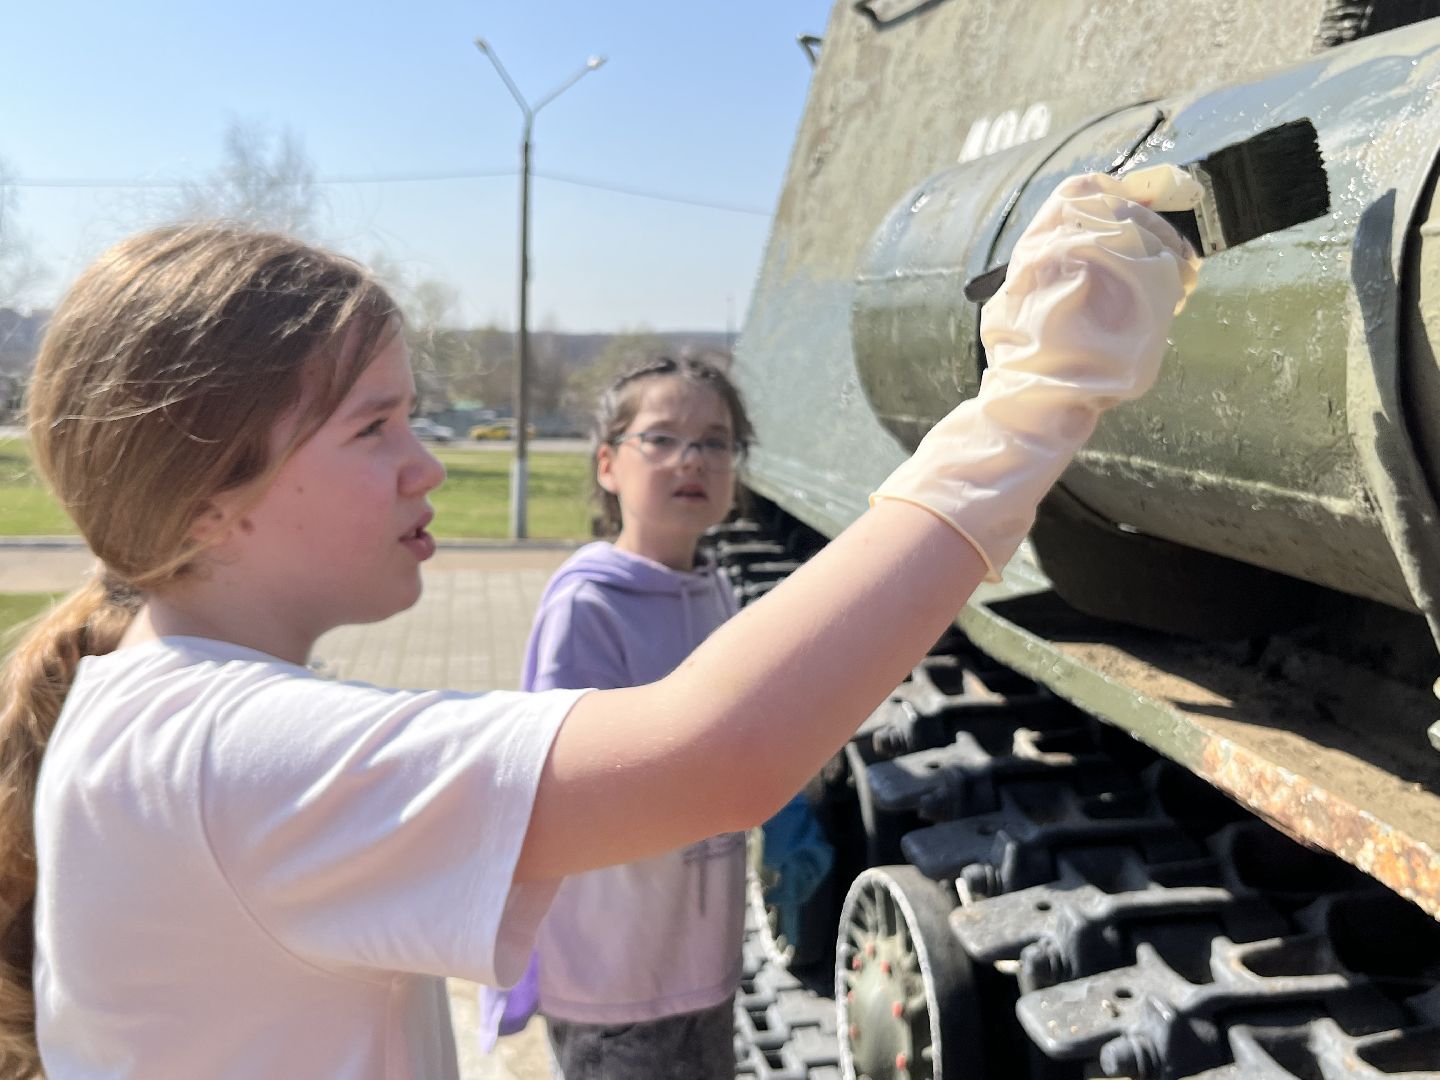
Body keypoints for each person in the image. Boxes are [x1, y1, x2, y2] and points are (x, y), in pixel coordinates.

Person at [0, 165, 1199, 1079]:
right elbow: (716, 752)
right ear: (213, 499)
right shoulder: (229, 754)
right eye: (374, 430)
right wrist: (1036, 399)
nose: (425, 467)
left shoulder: (150, 704)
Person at [482, 355, 755, 1078]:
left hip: (698, 959)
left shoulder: (716, 590)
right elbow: (576, 788)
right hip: (616, 976)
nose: (691, 458)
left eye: (715, 440)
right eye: (660, 439)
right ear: (608, 464)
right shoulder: (589, 605)